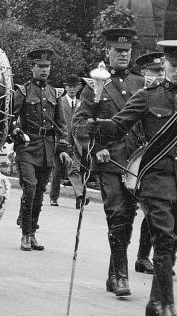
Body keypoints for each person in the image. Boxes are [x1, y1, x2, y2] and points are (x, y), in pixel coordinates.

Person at [88, 40, 177, 316]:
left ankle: (154, 301)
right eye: (173, 66)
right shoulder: (147, 96)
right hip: (155, 180)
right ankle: (167, 306)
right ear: (165, 64)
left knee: (175, 238)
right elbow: (119, 125)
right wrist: (98, 126)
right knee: (164, 241)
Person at [72, 27, 145, 297]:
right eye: (118, 50)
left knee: (129, 216)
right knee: (117, 213)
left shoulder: (141, 84)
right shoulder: (96, 84)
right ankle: (122, 276)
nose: (123, 55)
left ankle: (113, 274)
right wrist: (96, 145)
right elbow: (79, 124)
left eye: (127, 51)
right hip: (109, 159)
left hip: (135, 161)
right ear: (108, 52)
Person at [11, 49, 71, 251]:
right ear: (33, 68)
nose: (44, 70)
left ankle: (32, 234)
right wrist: (15, 132)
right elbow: (10, 118)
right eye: (40, 66)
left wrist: (62, 148)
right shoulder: (23, 91)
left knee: (39, 193)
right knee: (30, 189)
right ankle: (25, 235)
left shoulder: (55, 93)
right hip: (27, 147)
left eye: (47, 66)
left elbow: (61, 125)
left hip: (47, 149)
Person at [132, 51, 167, 275]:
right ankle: (143, 257)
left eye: (161, 71)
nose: (159, 75)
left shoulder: (165, 96)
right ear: (144, 72)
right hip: (133, 159)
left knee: (155, 211)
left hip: (156, 161)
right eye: (154, 71)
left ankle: (147, 256)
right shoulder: (137, 92)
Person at [50, 74, 85, 208]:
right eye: (69, 86)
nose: (72, 89)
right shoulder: (60, 101)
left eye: (74, 86)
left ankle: (80, 197)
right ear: (65, 87)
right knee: (57, 170)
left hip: (76, 143)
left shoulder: (81, 104)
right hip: (61, 141)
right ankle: (53, 197)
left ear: (79, 87)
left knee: (74, 169)